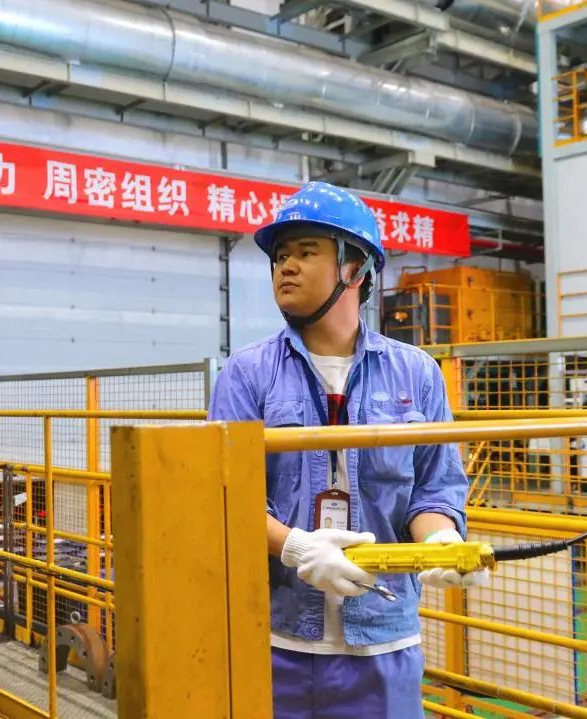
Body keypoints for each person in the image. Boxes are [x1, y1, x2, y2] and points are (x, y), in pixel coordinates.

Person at [208, 181, 488, 718]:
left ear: (355, 268)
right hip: (275, 640)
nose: (286, 267)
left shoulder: (415, 373)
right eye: (279, 256)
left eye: (306, 251)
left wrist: (441, 542)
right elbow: (223, 495)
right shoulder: (247, 374)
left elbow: (433, 489)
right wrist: (295, 547)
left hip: (383, 644)